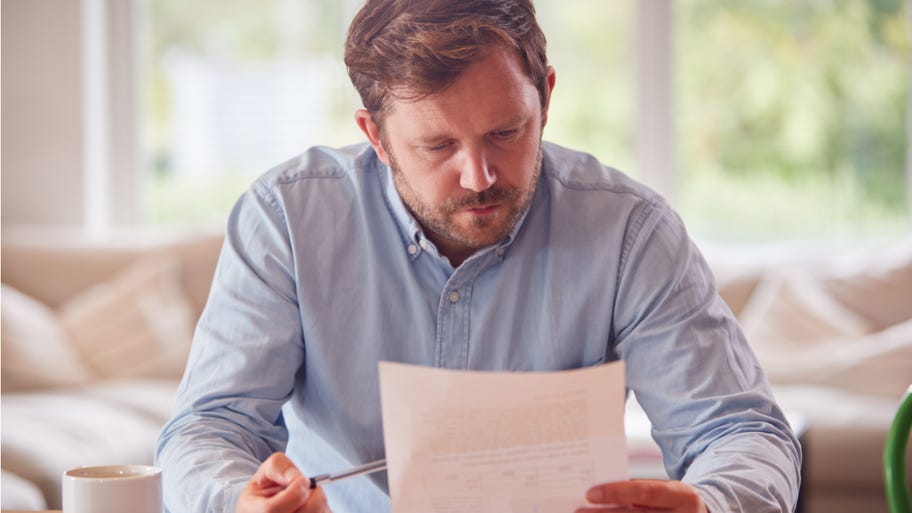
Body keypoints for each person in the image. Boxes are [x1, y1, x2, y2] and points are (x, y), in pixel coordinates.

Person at [155, 1, 802, 512]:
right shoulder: (288, 220)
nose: (479, 175)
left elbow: (741, 431)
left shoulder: (631, 232)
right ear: (375, 137)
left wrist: (714, 503)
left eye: (506, 132)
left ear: (545, 97)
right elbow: (209, 430)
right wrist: (235, 499)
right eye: (437, 146)